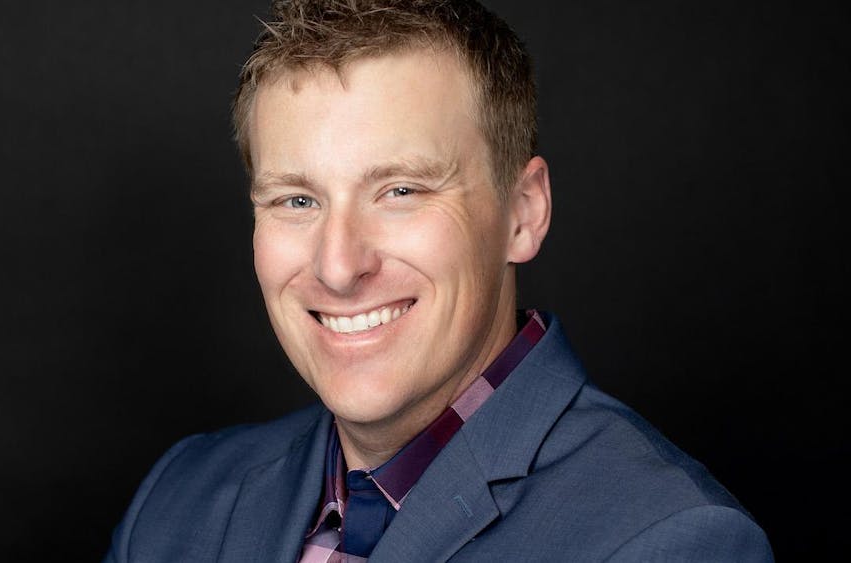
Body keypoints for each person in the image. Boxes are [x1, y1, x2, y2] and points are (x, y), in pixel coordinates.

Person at [104, 1, 773, 561]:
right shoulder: (174, 502)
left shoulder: (669, 540)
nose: (339, 266)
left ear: (522, 213)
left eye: (400, 189)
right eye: (296, 200)